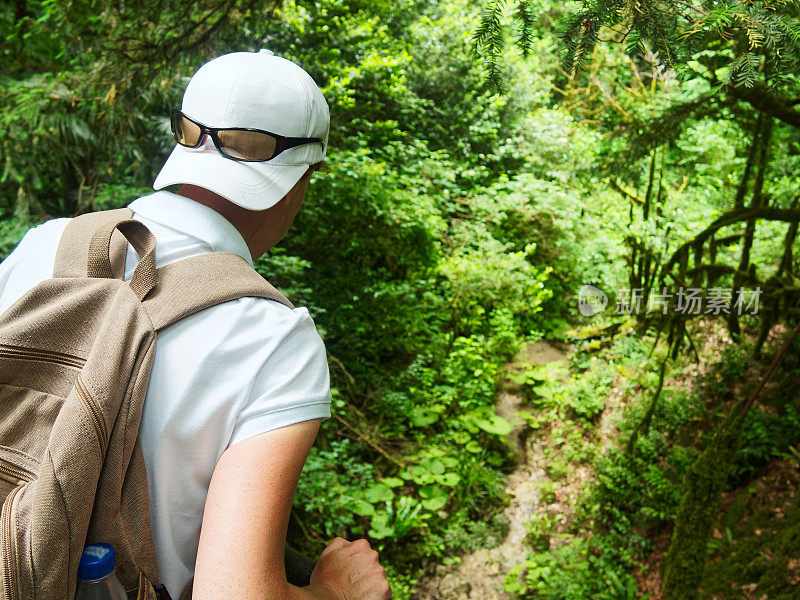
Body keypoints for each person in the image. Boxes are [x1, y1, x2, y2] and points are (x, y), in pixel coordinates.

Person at [0, 50, 391, 600]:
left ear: (183, 140)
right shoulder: (274, 342)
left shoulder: (46, 245)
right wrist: (333, 593)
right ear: (299, 176)